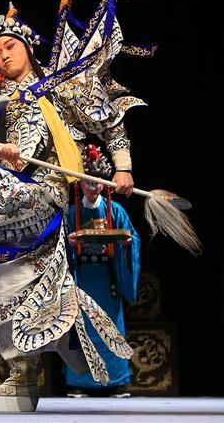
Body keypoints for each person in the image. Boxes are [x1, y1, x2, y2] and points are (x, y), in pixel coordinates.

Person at [0, 0, 154, 412]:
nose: (3, 56)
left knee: (23, 279)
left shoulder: (60, 89)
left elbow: (111, 124)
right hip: (5, 185)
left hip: (43, 194)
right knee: (8, 286)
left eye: (9, 46)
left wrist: (123, 168)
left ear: (27, 46)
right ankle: (21, 374)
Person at [64, 145, 140, 398]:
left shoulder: (115, 211)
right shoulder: (72, 212)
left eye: (97, 182)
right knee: (82, 329)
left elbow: (132, 237)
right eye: (88, 182)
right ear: (81, 184)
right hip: (82, 277)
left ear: (104, 184)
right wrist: (69, 243)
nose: (92, 187)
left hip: (108, 279)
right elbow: (58, 244)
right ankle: (79, 381)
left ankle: (116, 381)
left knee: (111, 329)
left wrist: (128, 244)